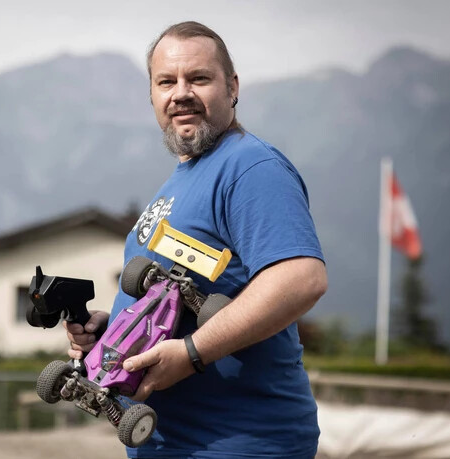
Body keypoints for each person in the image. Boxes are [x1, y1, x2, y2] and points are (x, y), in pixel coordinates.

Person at [63, 21, 328, 458]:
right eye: (166, 81)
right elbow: (185, 296)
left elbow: (302, 279)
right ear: (152, 96)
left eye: (199, 78)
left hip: (238, 444)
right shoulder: (180, 181)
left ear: (232, 87)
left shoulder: (249, 166)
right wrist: (118, 331)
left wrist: (192, 353)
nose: (180, 93)